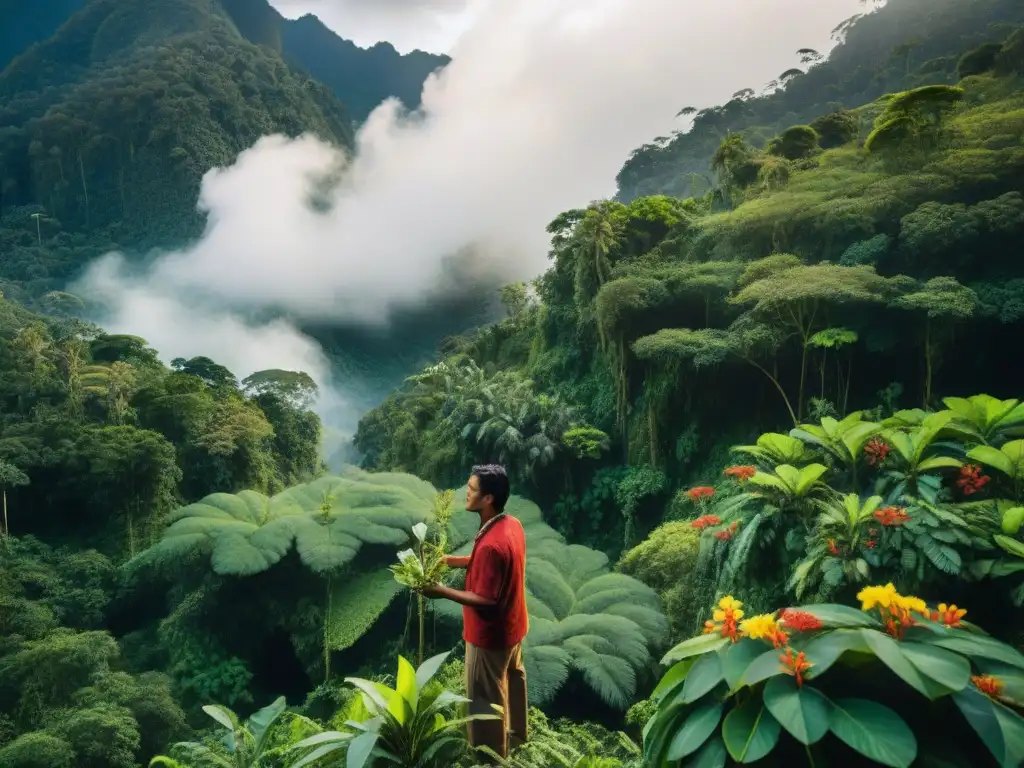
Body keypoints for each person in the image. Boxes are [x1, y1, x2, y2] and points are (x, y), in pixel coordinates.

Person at [419, 464, 529, 763]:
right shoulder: (511, 525)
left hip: (489, 637)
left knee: (485, 701)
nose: (465, 493)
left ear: (488, 498)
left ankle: (491, 758)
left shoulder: (492, 544)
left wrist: (440, 591)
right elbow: (489, 561)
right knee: (514, 679)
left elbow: (486, 599)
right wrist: (451, 560)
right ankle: (518, 739)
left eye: (472, 490)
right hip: (514, 628)